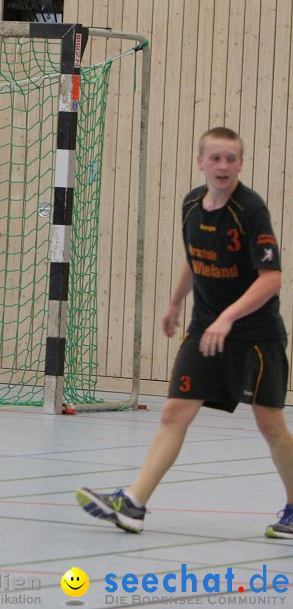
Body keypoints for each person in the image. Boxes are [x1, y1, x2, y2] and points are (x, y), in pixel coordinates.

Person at [77, 126, 293, 538]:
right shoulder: (191, 204)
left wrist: (228, 318)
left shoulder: (250, 211)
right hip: (204, 330)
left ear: (241, 164)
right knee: (174, 413)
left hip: (255, 336)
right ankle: (135, 504)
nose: (223, 165)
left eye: (231, 158)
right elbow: (195, 259)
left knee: (270, 425)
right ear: (200, 162)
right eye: (215, 158)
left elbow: (271, 278)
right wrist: (176, 303)